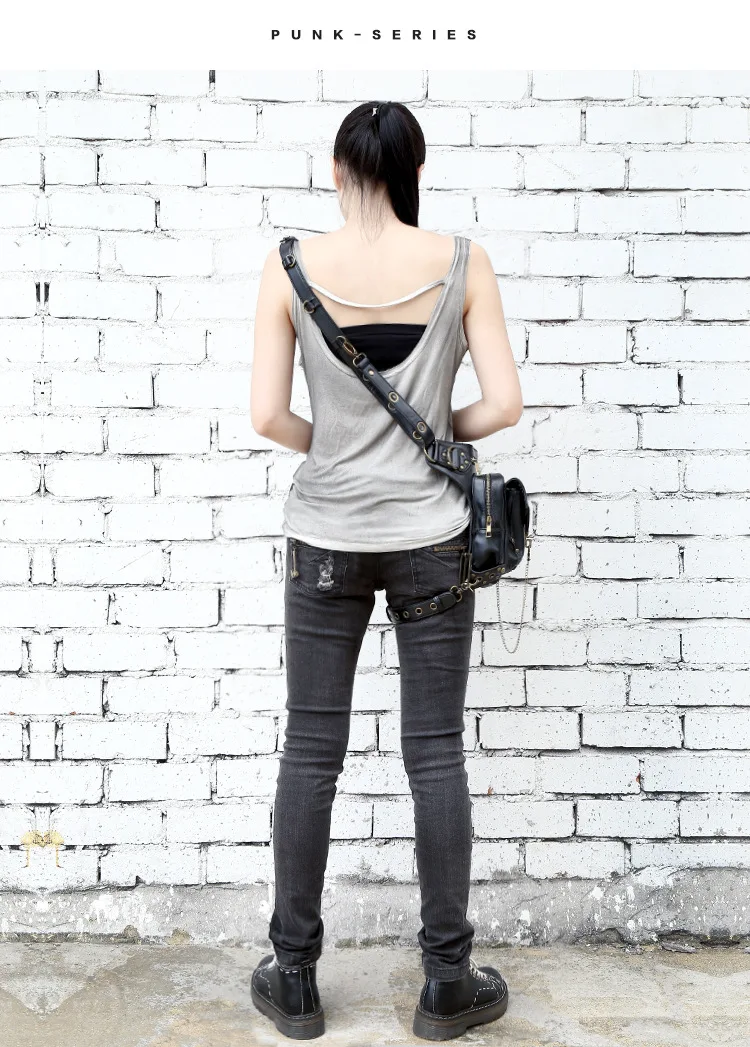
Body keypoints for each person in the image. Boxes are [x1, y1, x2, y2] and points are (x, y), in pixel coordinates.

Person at [249, 100, 523, 1041]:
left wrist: (336, 445)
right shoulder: (463, 263)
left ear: (337, 169)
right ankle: (447, 983)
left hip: (324, 534)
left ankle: (294, 978)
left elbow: (266, 415)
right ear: (416, 169)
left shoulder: (290, 268)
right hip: (432, 537)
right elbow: (504, 404)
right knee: (435, 753)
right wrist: (434, 438)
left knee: (310, 750)